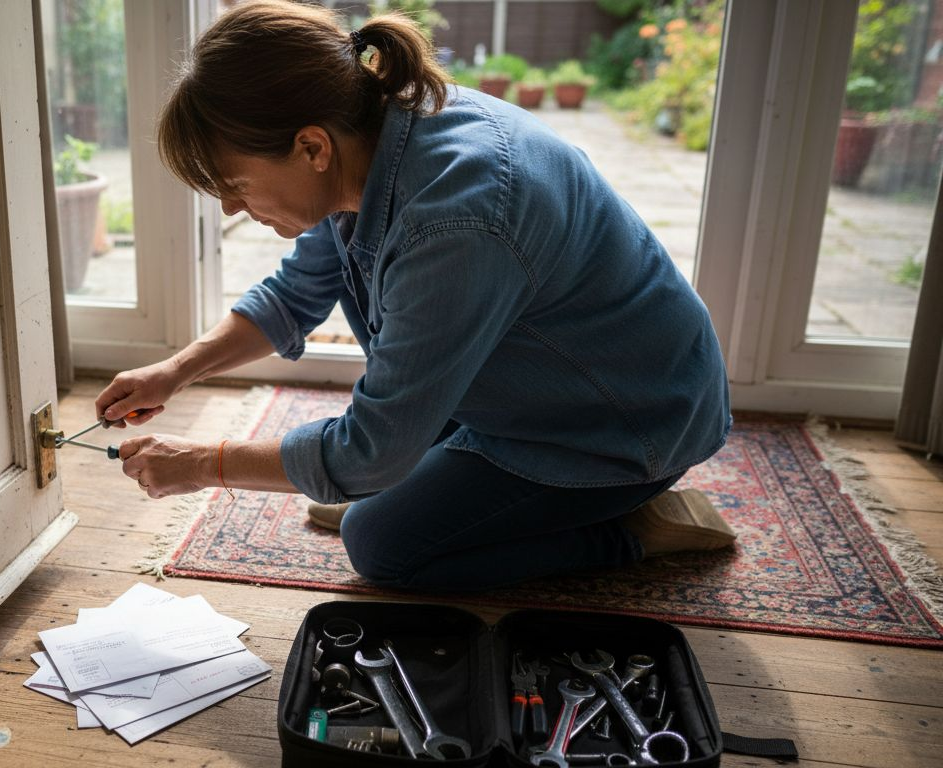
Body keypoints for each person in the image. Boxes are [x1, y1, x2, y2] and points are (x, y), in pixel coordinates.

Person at [94, 0, 736, 592]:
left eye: (234, 183)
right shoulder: (369, 137)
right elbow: (294, 295)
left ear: (309, 146)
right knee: (364, 472)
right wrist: (174, 371)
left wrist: (203, 464)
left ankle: (630, 529)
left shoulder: (455, 220)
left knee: (380, 541)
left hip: (623, 422)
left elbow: (368, 451)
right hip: (553, 374)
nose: (232, 205)